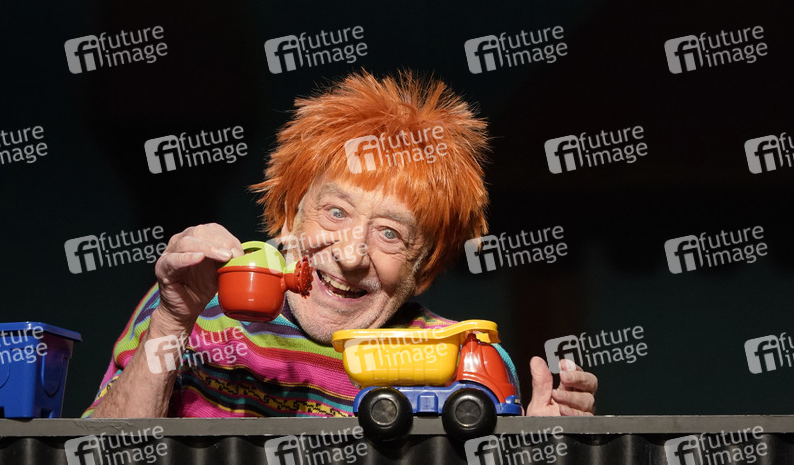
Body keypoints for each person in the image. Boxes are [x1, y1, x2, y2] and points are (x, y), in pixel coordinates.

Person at [82, 71, 596, 419]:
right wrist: (171, 323)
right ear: (290, 214)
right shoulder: (187, 310)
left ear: (424, 266)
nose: (350, 257)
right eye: (336, 212)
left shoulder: (456, 358)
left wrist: (538, 454)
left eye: (390, 233)